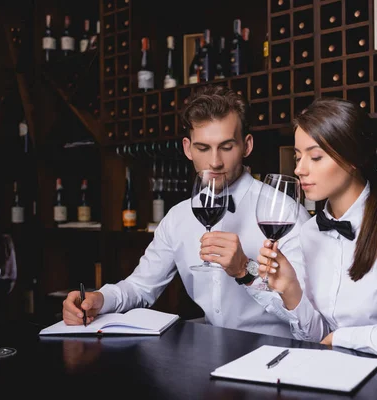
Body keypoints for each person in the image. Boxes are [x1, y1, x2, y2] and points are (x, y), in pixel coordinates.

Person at [62, 85, 310, 338]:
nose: (215, 162)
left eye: (226, 147)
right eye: (203, 148)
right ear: (187, 148)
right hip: (209, 354)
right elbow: (140, 287)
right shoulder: (179, 217)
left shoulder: (285, 214)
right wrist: (98, 299)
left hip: (274, 356)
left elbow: (306, 320)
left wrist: (246, 270)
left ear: (246, 146)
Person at [257, 98, 377, 362]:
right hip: (336, 371)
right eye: (297, 156)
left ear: (352, 158)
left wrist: (342, 338)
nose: (299, 169)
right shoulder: (309, 232)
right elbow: (318, 338)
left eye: (315, 157)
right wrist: (290, 288)